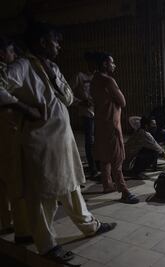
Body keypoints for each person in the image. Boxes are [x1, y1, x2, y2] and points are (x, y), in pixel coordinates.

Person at [0, 23, 116, 264]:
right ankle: (47, 245)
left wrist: (63, 88)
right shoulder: (21, 66)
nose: (59, 46)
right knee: (43, 196)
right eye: (55, 41)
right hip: (39, 144)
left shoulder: (51, 66)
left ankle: (90, 226)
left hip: (61, 141)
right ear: (43, 42)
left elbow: (67, 97)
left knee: (70, 187)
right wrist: (23, 107)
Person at [91, 52, 139, 204]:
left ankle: (107, 184)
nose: (114, 65)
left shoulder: (94, 79)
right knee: (117, 157)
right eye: (112, 62)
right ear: (105, 64)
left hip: (99, 122)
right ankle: (124, 191)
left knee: (105, 156)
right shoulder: (108, 80)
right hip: (111, 123)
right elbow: (122, 101)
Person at [0, 36, 32, 244]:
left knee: (3, 181)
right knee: (14, 179)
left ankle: (6, 221)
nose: (15, 56)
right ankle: (21, 230)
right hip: (5, 132)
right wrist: (24, 108)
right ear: (3, 53)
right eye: (12, 51)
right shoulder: (5, 71)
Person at [70, 51, 100, 178]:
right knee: (89, 140)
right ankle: (93, 168)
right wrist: (80, 102)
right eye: (91, 62)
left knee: (99, 139)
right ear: (88, 63)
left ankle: (99, 165)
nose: (94, 65)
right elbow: (66, 94)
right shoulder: (80, 76)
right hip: (87, 113)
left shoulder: (100, 77)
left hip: (100, 113)